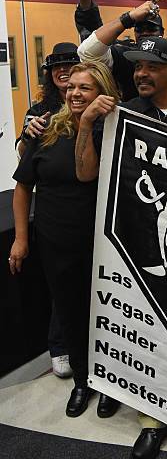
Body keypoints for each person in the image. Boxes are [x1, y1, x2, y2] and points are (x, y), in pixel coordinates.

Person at [75, 36, 167, 459]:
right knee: (149, 333)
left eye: (152, 66)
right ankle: (152, 418)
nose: (141, 73)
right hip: (135, 246)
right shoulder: (118, 117)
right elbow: (86, 173)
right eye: (137, 66)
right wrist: (87, 124)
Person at [9, 61, 121, 420]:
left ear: (102, 92)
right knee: (70, 313)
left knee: (104, 314)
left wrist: (86, 123)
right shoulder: (46, 131)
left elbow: (85, 173)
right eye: (71, 87)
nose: (74, 93)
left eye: (84, 88)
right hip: (55, 241)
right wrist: (20, 240)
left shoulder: (114, 130)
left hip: (101, 243)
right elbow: (23, 186)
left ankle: (109, 384)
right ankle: (83, 381)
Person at [16, 41, 82, 378]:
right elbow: (22, 162)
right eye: (57, 66)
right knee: (61, 282)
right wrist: (27, 135)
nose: (63, 71)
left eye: (70, 65)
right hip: (55, 206)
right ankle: (59, 345)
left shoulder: (91, 104)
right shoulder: (39, 109)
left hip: (86, 206)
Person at [77, 0, 165, 101]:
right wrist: (129, 18)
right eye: (139, 29)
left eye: (151, 29)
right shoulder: (128, 55)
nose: (145, 33)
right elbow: (86, 52)